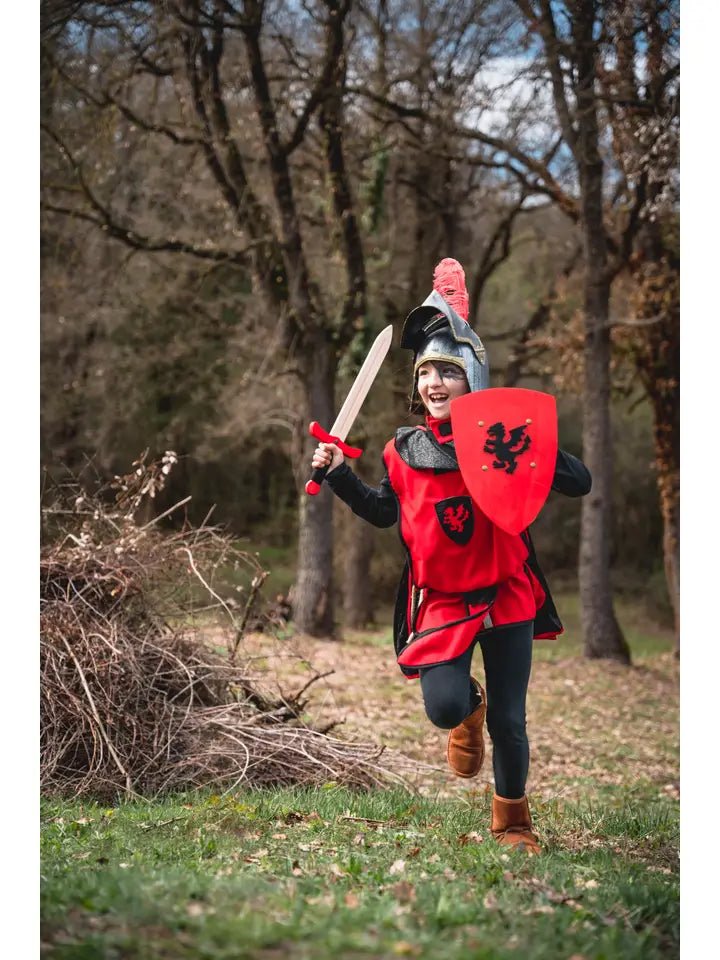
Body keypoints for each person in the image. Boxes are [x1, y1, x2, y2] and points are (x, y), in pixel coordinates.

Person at [311, 258, 591, 854]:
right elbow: (386, 513)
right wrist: (340, 477)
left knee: (510, 723)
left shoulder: (500, 440)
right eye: (426, 372)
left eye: (449, 370)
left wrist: (528, 437)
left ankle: (513, 821)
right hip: (440, 600)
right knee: (443, 707)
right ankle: (469, 709)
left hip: (507, 594)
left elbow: (579, 481)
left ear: (473, 378)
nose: (434, 382)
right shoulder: (401, 449)